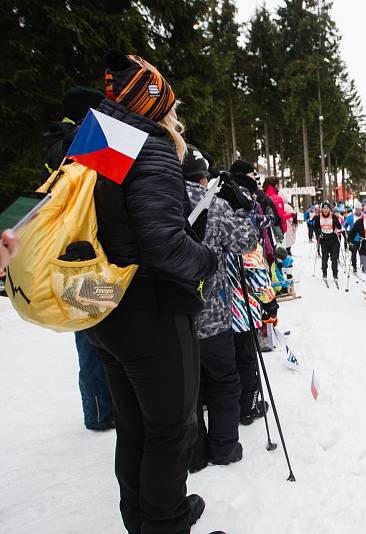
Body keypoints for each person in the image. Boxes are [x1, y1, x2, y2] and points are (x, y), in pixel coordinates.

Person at [86, 50, 215, 533]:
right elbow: (163, 246)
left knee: (136, 426)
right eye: (171, 107)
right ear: (155, 104)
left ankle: (143, 519)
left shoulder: (100, 138)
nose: (176, 117)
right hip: (149, 309)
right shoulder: (150, 143)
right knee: (169, 429)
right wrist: (207, 260)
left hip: (103, 305)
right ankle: (166, 523)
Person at [41, 85, 114, 431]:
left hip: (75, 251)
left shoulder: (59, 141)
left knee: (90, 329)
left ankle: (101, 406)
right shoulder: (75, 143)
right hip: (82, 251)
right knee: (92, 328)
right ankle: (101, 410)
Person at [182, 144, 258, 473]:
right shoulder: (212, 202)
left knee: (189, 391)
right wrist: (240, 208)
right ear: (205, 176)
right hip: (213, 317)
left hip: (176, 318)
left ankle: (195, 455)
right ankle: (224, 448)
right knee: (225, 382)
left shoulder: (159, 198)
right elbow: (246, 243)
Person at [312, 200, 342, 282]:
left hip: (333, 239)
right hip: (324, 239)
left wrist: (336, 221)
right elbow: (315, 227)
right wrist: (319, 233)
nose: (325, 210)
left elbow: (339, 227)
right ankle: (324, 273)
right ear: (322, 209)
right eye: (324, 208)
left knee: (334, 257)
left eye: (327, 208)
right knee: (325, 257)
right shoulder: (319, 217)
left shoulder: (333, 216)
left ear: (329, 209)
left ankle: (335, 274)